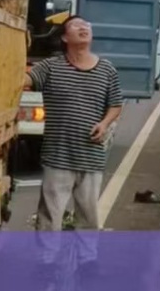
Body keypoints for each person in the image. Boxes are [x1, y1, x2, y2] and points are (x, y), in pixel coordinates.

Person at [24, 15, 123, 231]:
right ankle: (47, 261)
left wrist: (104, 124)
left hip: (91, 156)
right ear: (65, 38)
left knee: (89, 219)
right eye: (77, 26)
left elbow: (116, 105)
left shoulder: (107, 70)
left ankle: (86, 261)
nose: (84, 28)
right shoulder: (50, 67)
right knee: (50, 216)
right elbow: (25, 79)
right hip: (57, 156)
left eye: (87, 25)